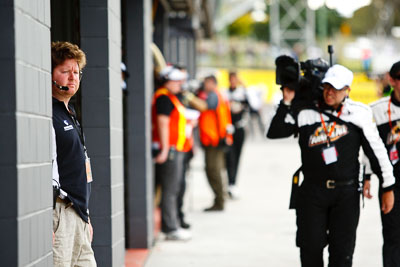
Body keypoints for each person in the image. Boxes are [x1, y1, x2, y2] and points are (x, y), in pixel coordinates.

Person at [266, 64, 395, 267]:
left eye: (335, 88)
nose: (330, 92)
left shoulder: (358, 114)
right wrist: (287, 101)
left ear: (347, 90)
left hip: (346, 193)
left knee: (342, 255)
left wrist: (388, 186)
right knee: (310, 250)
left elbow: (377, 152)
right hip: (312, 192)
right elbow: (274, 131)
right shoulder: (306, 112)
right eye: (326, 86)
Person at [51, 41, 97, 266]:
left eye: (76, 72)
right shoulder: (47, 113)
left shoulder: (69, 112)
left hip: (78, 214)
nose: (72, 77)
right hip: (60, 215)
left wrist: (85, 216)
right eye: (64, 71)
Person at [364, 61, 400, 267]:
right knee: (393, 235)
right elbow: (369, 147)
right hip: (391, 183)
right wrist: (367, 176)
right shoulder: (376, 111)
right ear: (393, 81)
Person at [151, 66, 192, 240]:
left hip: (176, 149)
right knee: (170, 189)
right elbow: (163, 125)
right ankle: (170, 228)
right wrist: (166, 150)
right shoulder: (164, 98)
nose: (179, 84)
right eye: (176, 80)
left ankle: (171, 225)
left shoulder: (170, 97)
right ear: (167, 81)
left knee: (173, 188)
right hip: (171, 151)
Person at [195, 75, 233, 211]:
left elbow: (205, 107)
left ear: (212, 83)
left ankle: (219, 201)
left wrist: (189, 97)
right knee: (214, 170)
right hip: (214, 139)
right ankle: (219, 200)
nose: (204, 85)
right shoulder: (217, 94)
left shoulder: (213, 95)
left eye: (205, 83)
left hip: (214, 140)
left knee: (213, 170)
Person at [224, 71, 249, 199]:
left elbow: (252, 105)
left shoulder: (242, 92)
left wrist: (244, 86)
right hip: (228, 128)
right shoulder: (225, 93)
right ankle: (229, 182)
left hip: (239, 128)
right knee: (229, 156)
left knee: (237, 155)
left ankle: (233, 183)